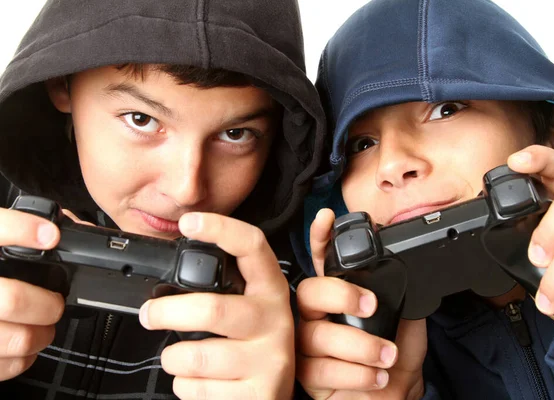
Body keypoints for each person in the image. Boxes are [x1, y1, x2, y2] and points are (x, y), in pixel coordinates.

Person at [0, 0, 326, 399]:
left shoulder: (314, 294)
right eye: (141, 119)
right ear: (60, 84)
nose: (186, 190)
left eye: (236, 134)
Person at [293, 0, 554, 398]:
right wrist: (391, 389)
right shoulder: (318, 351)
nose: (392, 165)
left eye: (446, 109)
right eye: (361, 144)